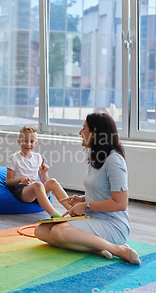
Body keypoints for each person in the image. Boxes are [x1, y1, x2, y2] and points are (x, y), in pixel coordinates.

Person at [34, 113, 141, 265]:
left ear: (94, 133)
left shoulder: (114, 161)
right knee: (40, 230)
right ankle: (95, 249)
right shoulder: (97, 157)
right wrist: (82, 199)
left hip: (113, 225)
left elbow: (120, 203)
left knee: (59, 231)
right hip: (93, 218)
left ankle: (118, 250)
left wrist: (86, 205)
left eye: (83, 128)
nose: (80, 132)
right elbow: (101, 191)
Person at [6, 125, 71, 218]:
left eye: (31, 141)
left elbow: (44, 180)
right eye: (25, 140)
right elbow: (8, 182)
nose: (28, 144)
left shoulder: (37, 157)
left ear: (36, 143)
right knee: (38, 185)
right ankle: (54, 214)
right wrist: (21, 179)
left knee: (52, 181)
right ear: (19, 142)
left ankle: (72, 209)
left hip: (38, 191)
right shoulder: (14, 158)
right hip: (23, 190)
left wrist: (44, 172)